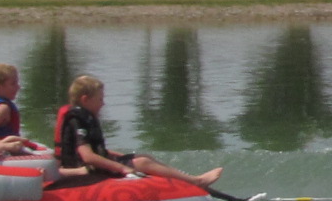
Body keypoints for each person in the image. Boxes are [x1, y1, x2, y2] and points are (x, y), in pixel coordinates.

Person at [53, 74, 221, 188]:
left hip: (89, 165)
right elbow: (88, 157)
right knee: (143, 163)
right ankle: (197, 181)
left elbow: (97, 151)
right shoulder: (77, 120)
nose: (103, 103)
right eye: (100, 99)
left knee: (143, 157)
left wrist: (121, 157)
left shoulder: (84, 117)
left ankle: (184, 181)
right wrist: (122, 168)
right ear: (85, 100)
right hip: (81, 170)